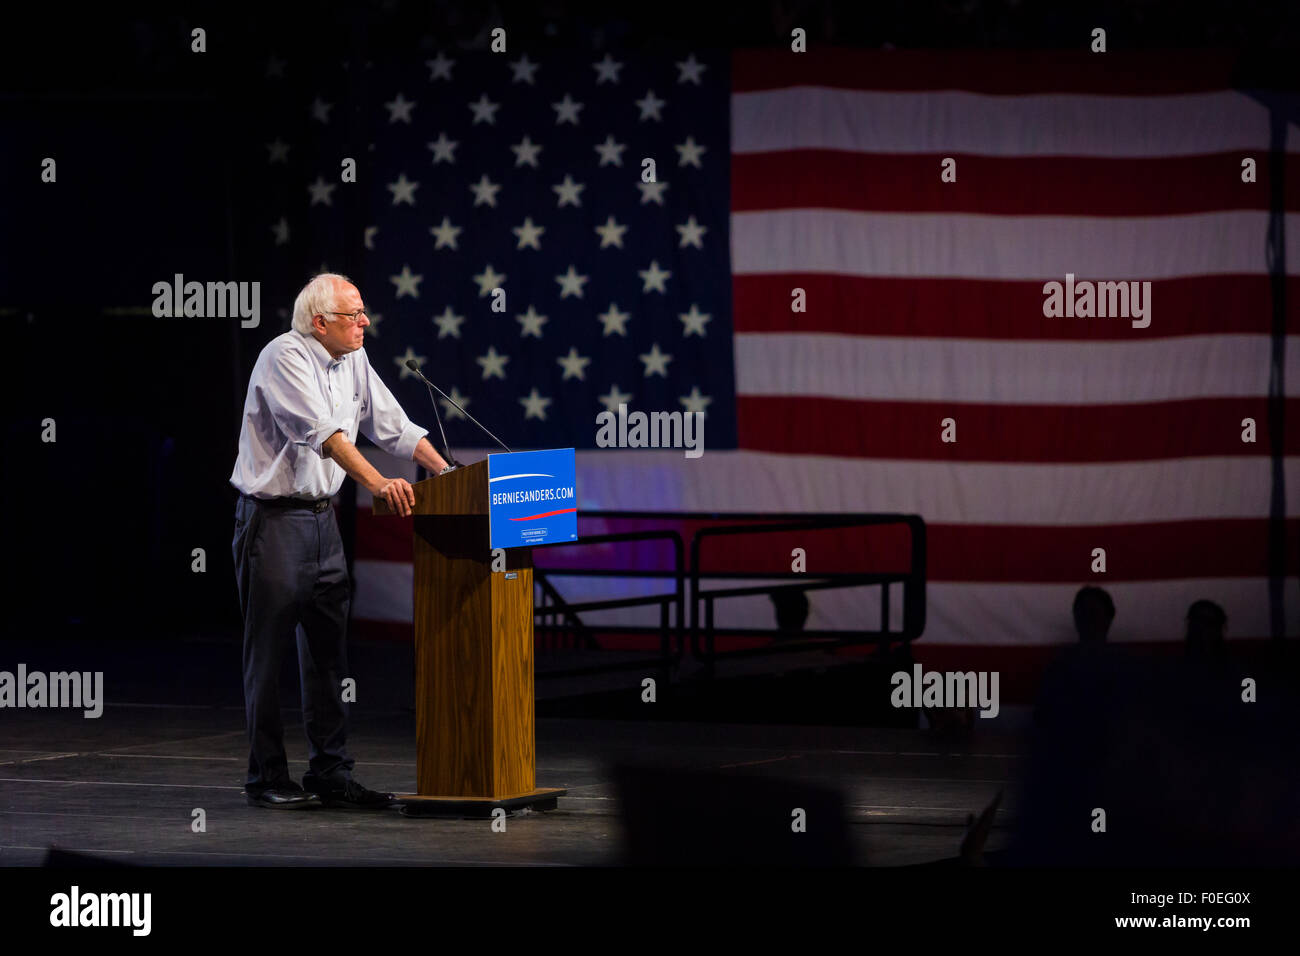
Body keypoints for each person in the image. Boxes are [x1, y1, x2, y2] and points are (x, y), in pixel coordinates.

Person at [230, 273, 449, 809]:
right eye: (355, 315)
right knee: (269, 656)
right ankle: (266, 778)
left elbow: (393, 424)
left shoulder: (352, 358)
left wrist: (447, 474)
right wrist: (379, 483)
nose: (365, 323)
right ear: (320, 321)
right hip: (274, 520)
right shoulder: (285, 356)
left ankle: (331, 772)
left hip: (323, 522)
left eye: (363, 313)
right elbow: (326, 435)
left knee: (329, 656)